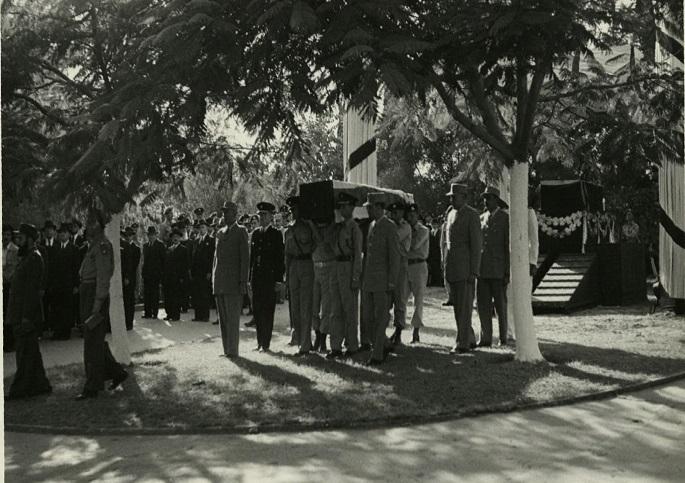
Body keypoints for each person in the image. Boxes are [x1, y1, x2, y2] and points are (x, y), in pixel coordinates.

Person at [76, 210, 128, 400]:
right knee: (94, 340)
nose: (87, 226)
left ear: (98, 225)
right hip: (88, 294)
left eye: (90, 223)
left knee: (92, 344)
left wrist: (96, 305)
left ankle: (92, 387)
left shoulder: (103, 246)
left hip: (94, 296)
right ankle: (117, 373)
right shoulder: (94, 246)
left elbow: (103, 278)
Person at [5, 224, 52, 400]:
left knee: (24, 353)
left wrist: (25, 317)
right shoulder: (27, 257)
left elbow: (32, 292)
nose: (19, 241)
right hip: (20, 313)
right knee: (30, 351)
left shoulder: (34, 258)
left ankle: (20, 390)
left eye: (22, 238)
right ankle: (41, 385)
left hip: (26, 316)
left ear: (31, 239)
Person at [361, 193, 400, 365]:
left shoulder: (389, 226)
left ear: (379, 207)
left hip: (383, 281)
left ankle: (377, 354)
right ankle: (385, 343)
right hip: (369, 281)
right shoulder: (372, 225)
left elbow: (394, 256)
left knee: (381, 317)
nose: (368, 210)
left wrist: (392, 281)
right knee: (368, 318)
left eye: (370, 207)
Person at [444, 183, 482, 354]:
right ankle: (470, 338)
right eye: (451, 196)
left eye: (454, 196)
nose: (451, 199)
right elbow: (447, 245)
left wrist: (474, 271)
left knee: (464, 308)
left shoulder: (472, 215)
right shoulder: (451, 214)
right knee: (458, 308)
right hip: (453, 268)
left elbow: (476, 245)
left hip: (466, 270)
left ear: (464, 197)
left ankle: (463, 343)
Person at [328, 192, 363, 359]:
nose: (342, 209)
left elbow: (358, 254)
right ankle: (335, 346)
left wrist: (356, 277)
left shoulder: (355, 228)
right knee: (336, 309)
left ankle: (352, 345)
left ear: (352, 207)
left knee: (349, 310)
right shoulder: (337, 227)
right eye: (340, 206)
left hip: (349, 267)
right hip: (337, 267)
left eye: (345, 206)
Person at [213, 201, 249, 357]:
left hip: (233, 284)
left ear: (235, 213)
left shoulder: (241, 231)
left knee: (233, 319)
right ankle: (226, 349)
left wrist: (243, 282)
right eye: (223, 212)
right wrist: (214, 280)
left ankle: (233, 350)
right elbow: (215, 259)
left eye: (227, 212)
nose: (225, 214)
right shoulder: (220, 232)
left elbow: (245, 259)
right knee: (223, 319)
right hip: (220, 282)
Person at [477, 187, 510, 348]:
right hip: (483, 269)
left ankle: (503, 337)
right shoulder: (481, 218)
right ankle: (485, 338)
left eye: (488, 198)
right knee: (483, 305)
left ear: (496, 200)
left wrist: (507, 271)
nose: (485, 201)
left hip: (498, 269)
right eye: (484, 198)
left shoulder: (505, 219)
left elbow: (507, 246)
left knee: (500, 306)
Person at [249, 202, 285, 352]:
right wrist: (250, 279)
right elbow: (252, 259)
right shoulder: (256, 234)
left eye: (265, 215)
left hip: (269, 279)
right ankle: (259, 342)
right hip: (257, 278)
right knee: (257, 311)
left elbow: (279, 259)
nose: (262, 217)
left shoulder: (276, 234)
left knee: (267, 311)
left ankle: (266, 343)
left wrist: (278, 280)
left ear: (271, 216)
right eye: (260, 215)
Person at [284, 196, 315, 355]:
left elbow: (316, 243)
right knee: (294, 306)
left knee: (305, 305)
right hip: (294, 266)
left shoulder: (309, 226)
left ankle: (306, 344)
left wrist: (312, 226)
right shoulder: (288, 229)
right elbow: (287, 254)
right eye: (291, 210)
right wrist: (287, 274)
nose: (292, 212)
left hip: (306, 264)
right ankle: (298, 338)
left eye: (295, 209)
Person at [49, 223, 81, 340]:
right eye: (60, 232)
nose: (62, 234)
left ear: (69, 234)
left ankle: (65, 332)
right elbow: (51, 267)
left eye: (65, 232)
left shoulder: (74, 249)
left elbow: (77, 268)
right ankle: (57, 331)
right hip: (57, 284)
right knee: (56, 307)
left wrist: (76, 285)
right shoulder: (54, 248)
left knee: (67, 308)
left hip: (68, 284)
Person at [310, 218, 336, 353]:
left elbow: (322, 240)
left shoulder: (331, 226)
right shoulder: (311, 227)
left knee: (326, 307)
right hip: (315, 268)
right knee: (314, 306)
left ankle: (323, 338)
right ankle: (317, 335)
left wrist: (312, 224)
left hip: (328, 268)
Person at [387, 201, 411, 345]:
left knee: (400, 299)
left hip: (401, 264)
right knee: (386, 299)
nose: (394, 214)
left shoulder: (405, 227)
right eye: (393, 212)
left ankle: (398, 332)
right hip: (389, 264)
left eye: (398, 212)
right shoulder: (389, 225)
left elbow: (393, 238)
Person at [405, 203, 430, 343]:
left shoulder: (423, 230)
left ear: (417, 216)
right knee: (401, 298)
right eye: (408, 215)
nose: (410, 218)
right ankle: (399, 328)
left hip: (419, 265)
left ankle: (416, 331)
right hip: (406, 265)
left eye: (413, 215)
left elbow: (413, 245)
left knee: (418, 300)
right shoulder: (404, 228)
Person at [191, 218, 215, 322]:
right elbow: (193, 256)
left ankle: (205, 315)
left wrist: (210, 271)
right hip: (197, 272)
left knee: (205, 293)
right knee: (197, 293)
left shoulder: (211, 240)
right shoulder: (196, 241)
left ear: (207, 228)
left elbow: (212, 257)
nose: (201, 229)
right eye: (200, 227)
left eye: (203, 227)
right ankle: (198, 315)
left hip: (206, 272)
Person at [163, 229, 190, 321]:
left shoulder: (183, 249)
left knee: (177, 297)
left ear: (180, 238)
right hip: (169, 277)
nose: (175, 239)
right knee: (169, 296)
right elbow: (166, 264)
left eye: (177, 237)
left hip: (178, 277)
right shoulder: (169, 249)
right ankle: (169, 314)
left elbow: (185, 265)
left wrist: (182, 277)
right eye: (174, 237)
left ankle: (176, 314)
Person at [142, 226, 166, 319]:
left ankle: (154, 312)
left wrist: (162, 274)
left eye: (152, 235)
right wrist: (143, 273)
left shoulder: (160, 245)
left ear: (156, 235)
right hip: (147, 274)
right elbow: (145, 261)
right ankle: (147, 312)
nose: (151, 236)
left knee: (155, 294)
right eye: (149, 235)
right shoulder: (145, 246)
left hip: (156, 274)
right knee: (147, 294)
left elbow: (163, 260)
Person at [3, 224, 20, 352]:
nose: (5, 237)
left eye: (8, 234)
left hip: (8, 284)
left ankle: (10, 342)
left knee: (8, 313)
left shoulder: (14, 250)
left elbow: (13, 269)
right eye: (3, 234)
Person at [121, 227, 141, 330]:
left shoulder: (136, 248)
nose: (128, 237)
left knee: (129, 301)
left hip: (130, 277)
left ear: (133, 236)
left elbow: (134, 265)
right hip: (122, 277)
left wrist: (128, 276)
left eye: (130, 235)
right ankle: (123, 322)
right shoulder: (122, 246)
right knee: (123, 301)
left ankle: (129, 323)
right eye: (126, 235)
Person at [41, 220, 58, 335]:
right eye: (46, 229)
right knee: (44, 303)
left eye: (51, 229)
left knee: (55, 303)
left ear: (54, 231)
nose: (48, 231)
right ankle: (45, 326)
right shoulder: (41, 245)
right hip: (44, 278)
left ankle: (54, 325)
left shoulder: (58, 244)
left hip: (55, 278)